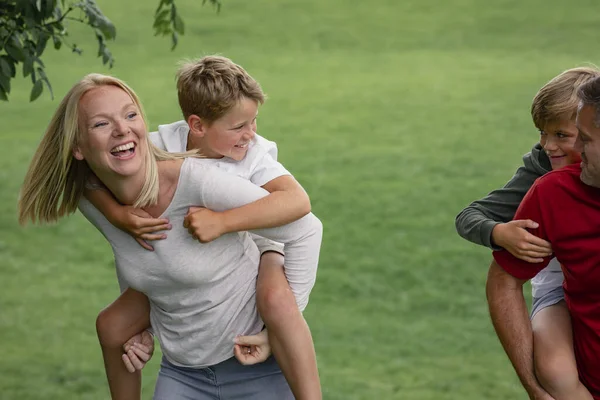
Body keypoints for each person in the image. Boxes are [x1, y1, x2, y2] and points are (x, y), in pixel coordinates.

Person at [18, 73, 323, 400]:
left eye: (130, 115)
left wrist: (223, 223)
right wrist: (115, 213)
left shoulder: (235, 162)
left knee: (277, 301)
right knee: (112, 325)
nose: (123, 129)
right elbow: (135, 248)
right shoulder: (145, 157)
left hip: (260, 241)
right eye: (101, 124)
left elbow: (302, 214)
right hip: (184, 370)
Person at [456, 67, 600, 400]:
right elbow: (469, 216)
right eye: (542, 134)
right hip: (556, 281)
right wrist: (498, 233)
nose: (548, 145)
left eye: (562, 135)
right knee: (554, 369)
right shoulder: (544, 173)